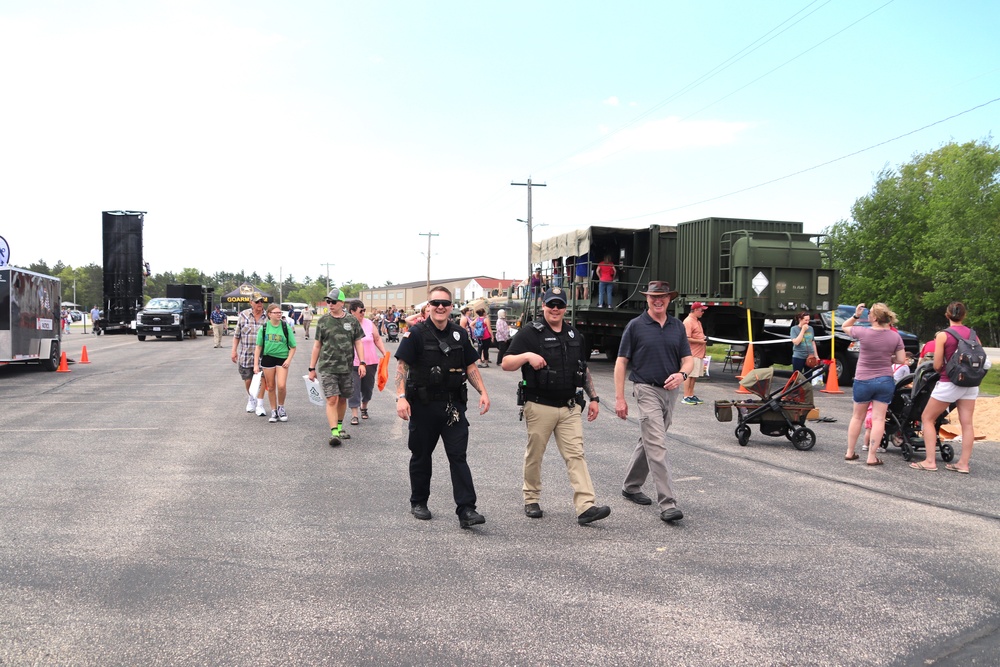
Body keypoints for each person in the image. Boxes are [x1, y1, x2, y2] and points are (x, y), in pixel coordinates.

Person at [502, 286, 611, 525]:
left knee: (576, 455)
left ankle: (586, 507)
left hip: (570, 407)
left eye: (559, 305)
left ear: (565, 308)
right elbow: (506, 362)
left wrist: (594, 398)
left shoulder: (575, 336)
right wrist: (527, 357)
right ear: (543, 306)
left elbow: (583, 369)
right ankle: (531, 498)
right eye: (551, 304)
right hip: (540, 405)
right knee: (535, 455)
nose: (555, 309)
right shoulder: (530, 333)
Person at [394, 286, 490, 529]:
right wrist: (401, 396)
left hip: (453, 407)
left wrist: (483, 392)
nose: (440, 307)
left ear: (451, 307)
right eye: (435, 302)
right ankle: (419, 502)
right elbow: (402, 367)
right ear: (428, 306)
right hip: (423, 406)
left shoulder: (459, 334)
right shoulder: (415, 334)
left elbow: (470, 367)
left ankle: (467, 510)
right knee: (421, 456)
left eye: (445, 303)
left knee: (458, 457)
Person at [614, 281, 692, 523]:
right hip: (646, 389)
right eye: (653, 297)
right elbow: (621, 362)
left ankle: (631, 486)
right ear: (647, 299)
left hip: (670, 393)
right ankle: (668, 504)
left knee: (649, 440)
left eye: (663, 297)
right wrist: (620, 398)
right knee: (657, 444)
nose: (658, 300)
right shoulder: (636, 326)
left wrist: (682, 375)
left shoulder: (677, 326)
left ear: (669, 299)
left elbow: (688, 360)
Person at [911, 302, 980, 473]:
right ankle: (963, 464)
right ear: (964, 315)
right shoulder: (973, 334)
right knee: (967, 424)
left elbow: (937, 365)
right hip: (970, 383)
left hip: (949, 382)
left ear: (947, 315)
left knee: (927, 417)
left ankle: (929, 461)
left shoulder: (943, 335)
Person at [842, 303, 905, 467]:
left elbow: (844, 326)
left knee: (857, 417)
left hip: (863, 379)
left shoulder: (863, 332)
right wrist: (887, 358)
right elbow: (900, 359)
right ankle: (871, 456)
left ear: (875, 318)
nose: (867, 316)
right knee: (879, 419)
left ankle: (850, 452)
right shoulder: (895, 336)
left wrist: (856, 315)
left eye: (869, 314)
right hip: (884, 380)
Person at [308, 289, 366, 446]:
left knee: (342, 399)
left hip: (346, 368)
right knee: (332, 398)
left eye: (333, 302)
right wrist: (311, 368)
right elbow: (317, 345)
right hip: (327, 367)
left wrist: (362, 362)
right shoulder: (323, 321)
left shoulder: (352, 321)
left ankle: (340, 428)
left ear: (342, 303)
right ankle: (334, 432)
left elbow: (358, 342)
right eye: (328, 301)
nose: (330, 304)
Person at [253, 303, 297, 423]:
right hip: (268, 358)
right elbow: (258, 347)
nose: (279, 314)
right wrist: (256, 365)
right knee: (271, 386)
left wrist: (288, 360)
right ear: (269, 314)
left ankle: (281, 407)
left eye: (280, 312)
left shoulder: (285, 326)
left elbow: (293, 347)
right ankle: (273, 410)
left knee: (281, 385)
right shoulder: (264, 327)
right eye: (276, 312)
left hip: (282, 358)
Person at [348, 300, 386, 426]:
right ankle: (354, 414)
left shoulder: (369, 323)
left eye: (364, 310)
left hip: (370, 362)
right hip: (353, 362)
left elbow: (377, 339)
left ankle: (364, 407)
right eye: (360, 311)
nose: (363, 313)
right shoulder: (347, 325)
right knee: (354, 388)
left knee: (367, 388)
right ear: (352, 311)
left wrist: (384, 353)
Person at [231, 292, 269, 416]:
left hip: (264, 355)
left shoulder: (267, 317)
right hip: (246, 355)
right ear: (251, 302)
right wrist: (234, 351)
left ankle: (260, 404)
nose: (260, 304)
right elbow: (237, 335)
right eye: (257, 301)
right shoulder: (243, 315)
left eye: (261, 301)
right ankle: (251, 398)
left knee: (263, 380)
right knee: (248, 380)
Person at [682, 302, 709, 405]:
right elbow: (687, 338)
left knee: (695, 375)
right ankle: (685, 396)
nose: (703, 312)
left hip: (699, 353)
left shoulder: (697, 321)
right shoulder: (688, 321)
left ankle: (691, 394)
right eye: (701, 310)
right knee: (689, 375)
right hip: (692, 353)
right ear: (696, 310)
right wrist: (701, 342)